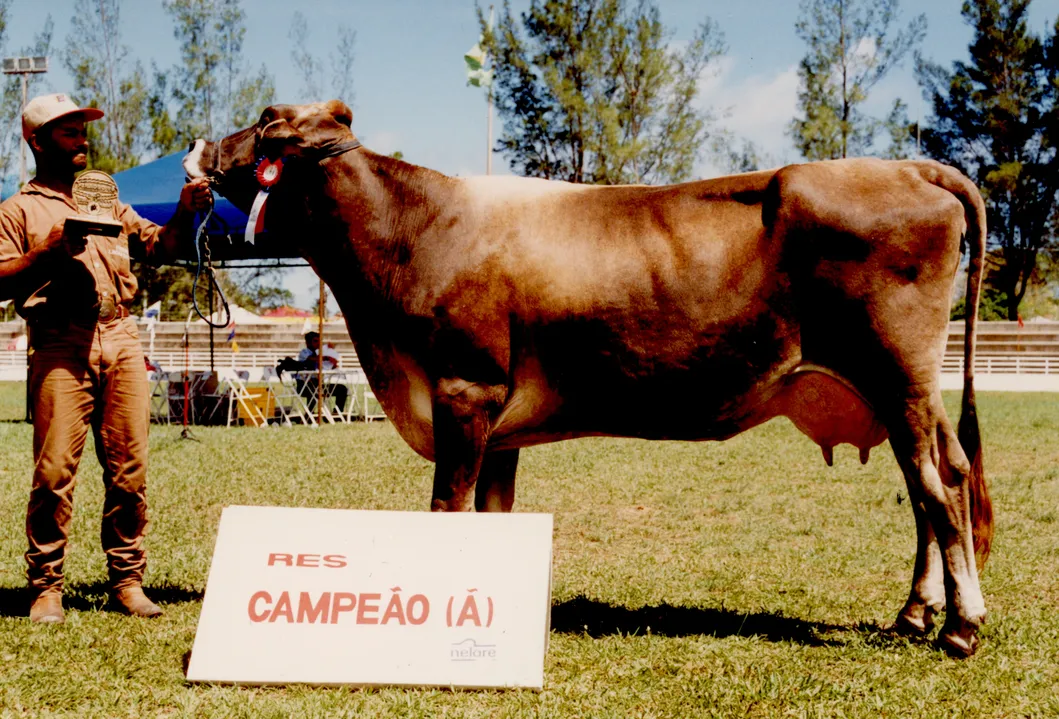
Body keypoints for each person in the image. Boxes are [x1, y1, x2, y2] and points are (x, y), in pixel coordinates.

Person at [0, 93, 213, 624]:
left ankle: (127, 581)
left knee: (130, 471)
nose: (83, 139)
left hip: (120, 336)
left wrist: (185, 213)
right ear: (37, 141)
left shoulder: (107, 199)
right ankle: (47, 587)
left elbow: (159, 248)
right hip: (59, 342)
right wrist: (46, 252)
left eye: (82, 129)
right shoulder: (17, 210)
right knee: (53, 474)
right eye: (69, 131)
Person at [278, 331, 348, 414]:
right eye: (315, 341)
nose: (318, 343)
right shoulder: (304, 352)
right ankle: (309, 414)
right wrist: (326, 355)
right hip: (304, 385)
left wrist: (332, 362)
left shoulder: (320, 353)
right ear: (308, 342)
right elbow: (312, 359)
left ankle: (337, 413)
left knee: (342, 389)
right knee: (313, 391)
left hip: (317, 384)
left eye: (319, 341)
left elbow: (328, 367)